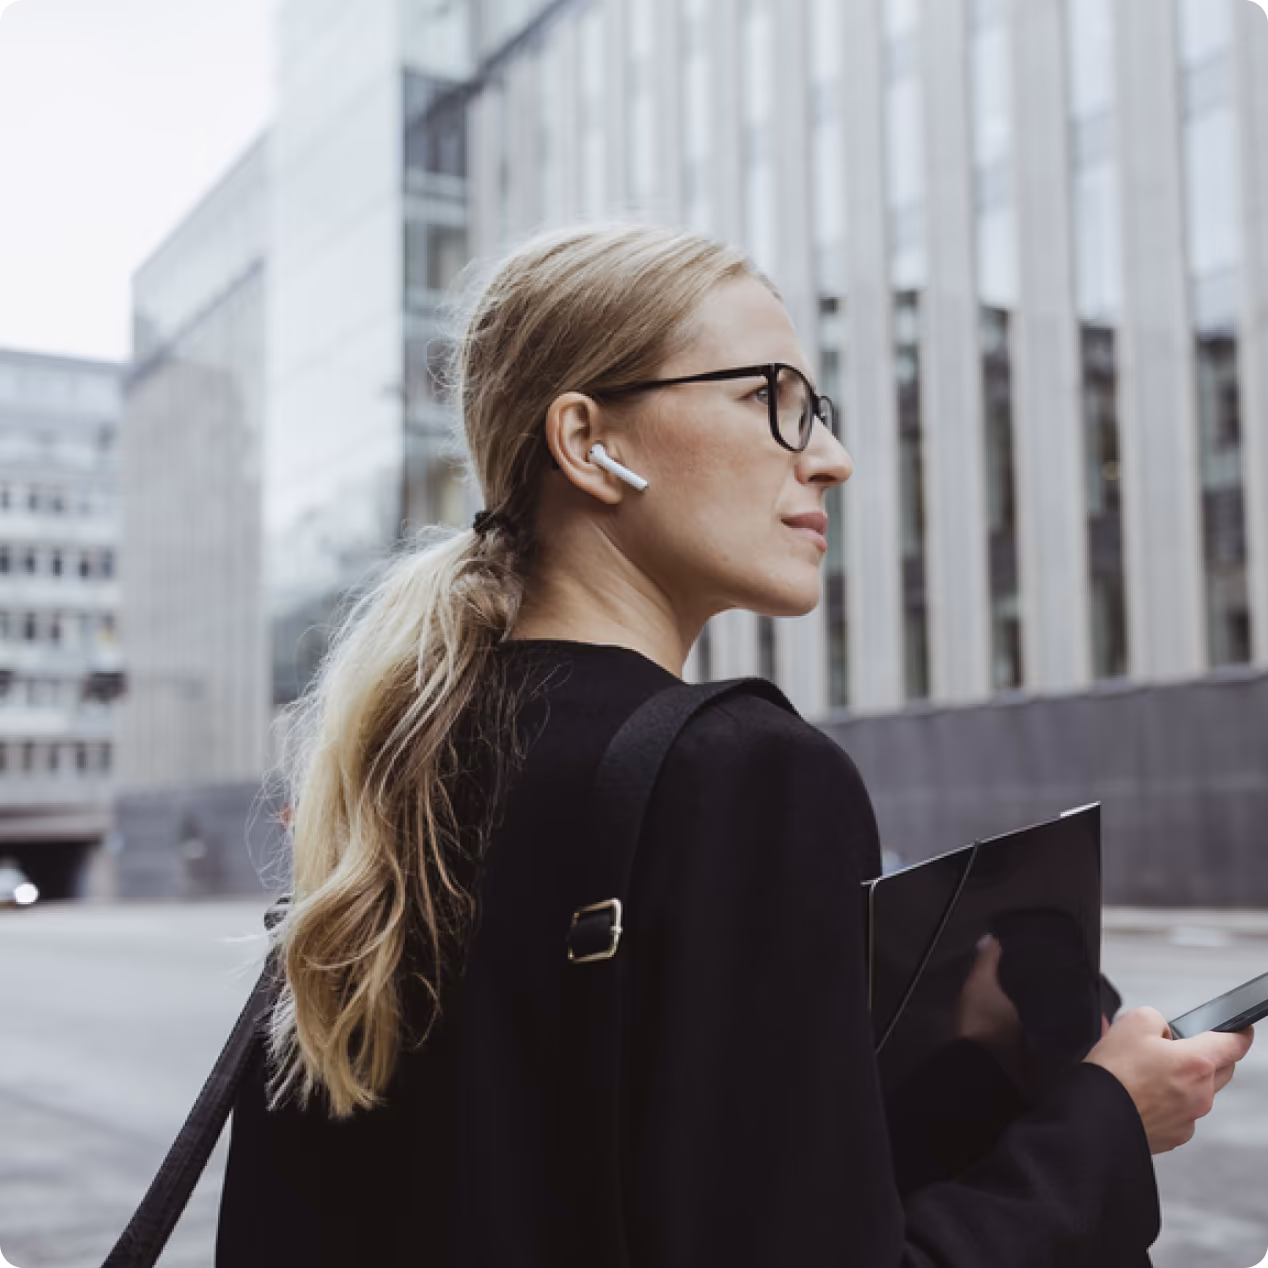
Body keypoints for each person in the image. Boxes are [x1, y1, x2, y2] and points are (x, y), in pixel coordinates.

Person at [214, 221, 1254, 1267]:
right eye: (774, 401)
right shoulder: (742, 775)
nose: (832, 460)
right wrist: (1106, 1118)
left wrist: (959, 1060)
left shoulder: (390, 769)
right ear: (588, 442)